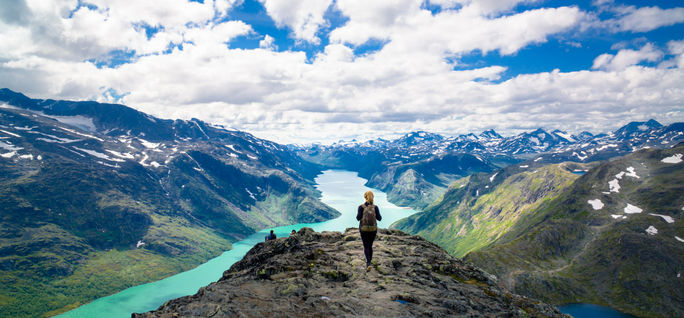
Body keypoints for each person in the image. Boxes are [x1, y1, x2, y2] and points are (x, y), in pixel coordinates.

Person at [356, 190, 381, 271]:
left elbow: (358, 218)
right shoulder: (375, 207)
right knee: (370, 245)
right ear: (372, 197)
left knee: (366, 246)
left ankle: (368, 263)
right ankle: (370, 261)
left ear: (365, 197)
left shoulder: (361, 207)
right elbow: (379, 218)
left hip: (364, 229)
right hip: (373, 229)